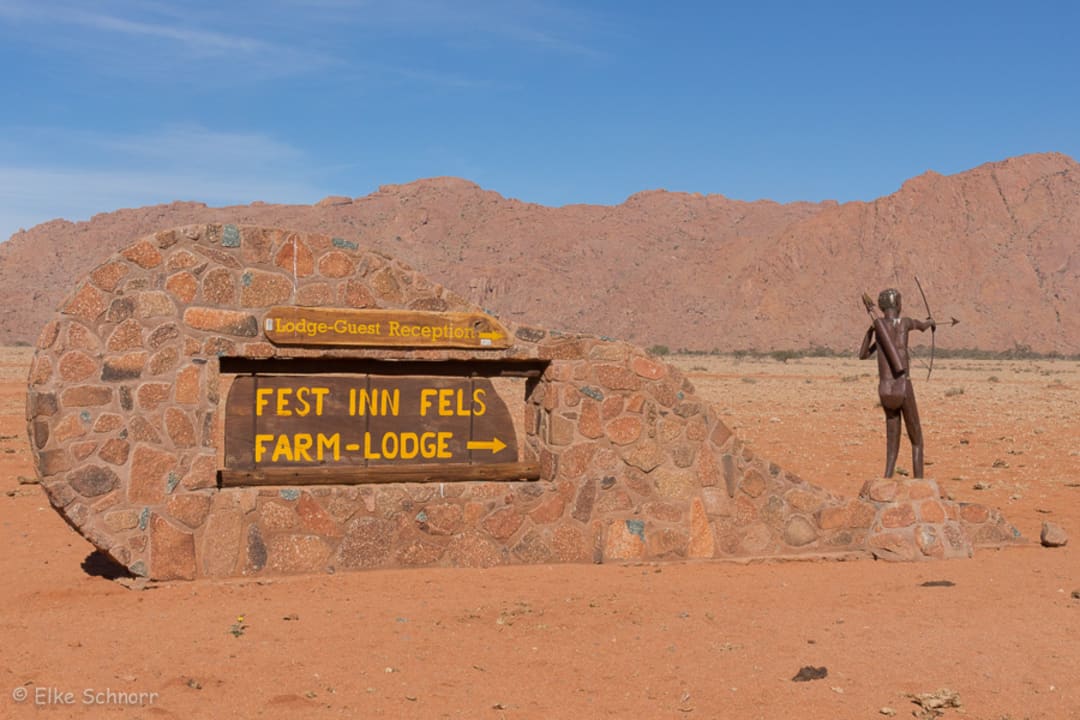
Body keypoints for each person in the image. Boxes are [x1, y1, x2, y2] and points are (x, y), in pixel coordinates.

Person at [859, 288, 935, 478]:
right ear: (898, 305)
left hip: (885, 390)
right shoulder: (904, 323)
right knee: (916, 438)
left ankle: (888, 476)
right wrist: (931, 322)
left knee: (892, 437)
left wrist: (871, 330)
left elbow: (863, 355)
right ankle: (919, 481)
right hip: (903, 386)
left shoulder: (880, 331)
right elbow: (923, 325)